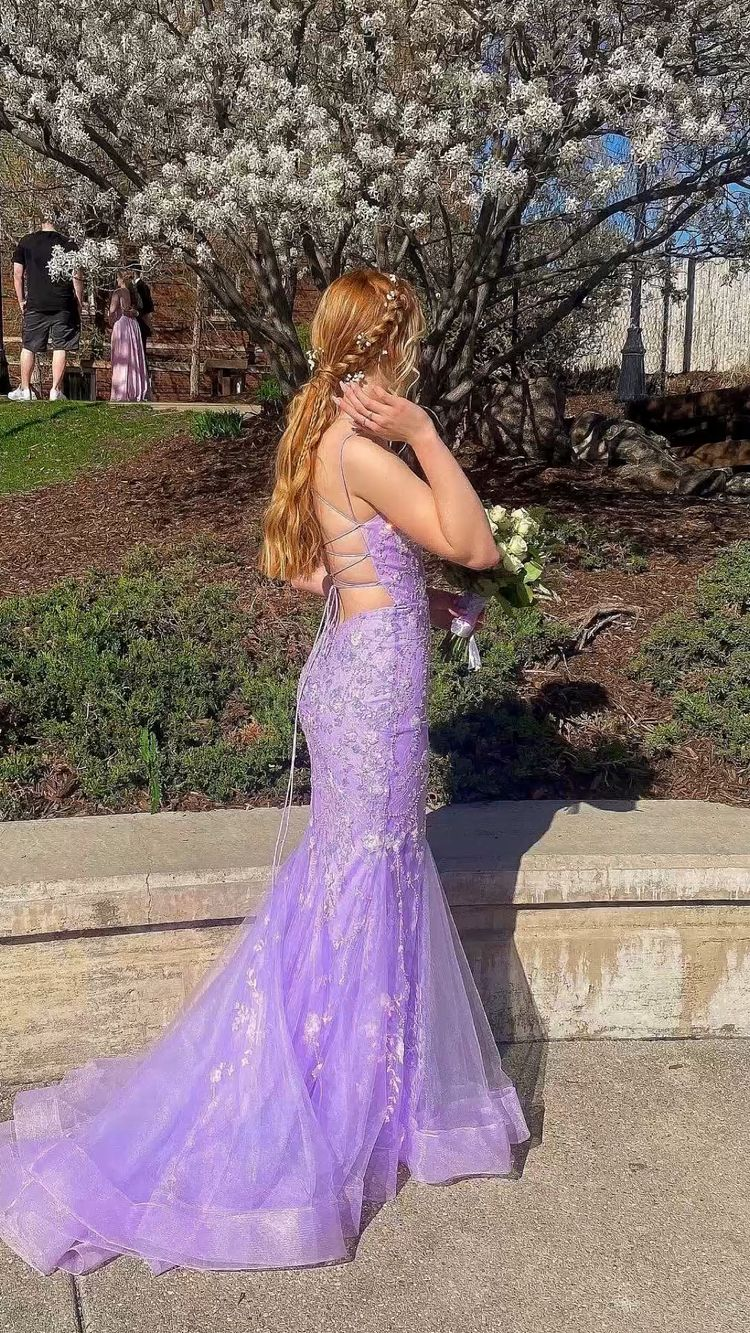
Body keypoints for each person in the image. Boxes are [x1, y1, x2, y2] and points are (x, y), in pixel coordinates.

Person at [0, 269, 528, 1276]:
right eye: (407, 347)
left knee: (352, 879)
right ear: (381, 350)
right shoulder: (366, 449)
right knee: (364, 877)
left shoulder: (320, 435)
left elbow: (304, 566)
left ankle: (358, 1083)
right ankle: (327, 1095)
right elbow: (475, 541)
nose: (413, 362)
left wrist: (417, 598)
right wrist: (423, 432)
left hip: (351, 671)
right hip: (371, 695)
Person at [9, 217, 83, 402]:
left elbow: (17, 274)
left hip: (36, 302)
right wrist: (79, 301)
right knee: (61, 346)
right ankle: (55, 391)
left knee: (29, 346)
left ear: (40, 220)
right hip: (63, 302)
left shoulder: (27, 241)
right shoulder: (69, 243)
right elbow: (77, 275)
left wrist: (21, 300)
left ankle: (25, 389)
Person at [109, 271, 149, 402]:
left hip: (122, 324)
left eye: (117, 278)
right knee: (133, 357)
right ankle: (135, 390)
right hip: (133, 325)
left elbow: (112, 310)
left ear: (122, 279)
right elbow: (139, 311)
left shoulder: (118, 292)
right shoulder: (134, 293)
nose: (116, 280)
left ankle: (122, 391)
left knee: (122, 356)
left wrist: (110, 320)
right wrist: (134, 313)